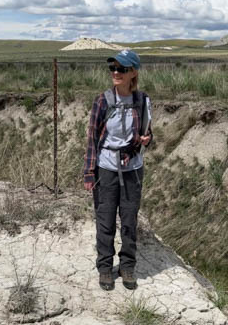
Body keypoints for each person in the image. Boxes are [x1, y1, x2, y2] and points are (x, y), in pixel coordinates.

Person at [82, 49, 153, 291]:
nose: (115, 73)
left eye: (121, 69)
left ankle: (127, 266)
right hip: (106, 169)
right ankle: (104, 267)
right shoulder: (102, 101)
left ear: (133, 72)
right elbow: (92, 139)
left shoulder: (142, 101)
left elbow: (147, 132)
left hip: (132, 169)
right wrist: (89, 173)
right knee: (105, 222)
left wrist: (146, 139)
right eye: (113, 68)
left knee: (130, 221)